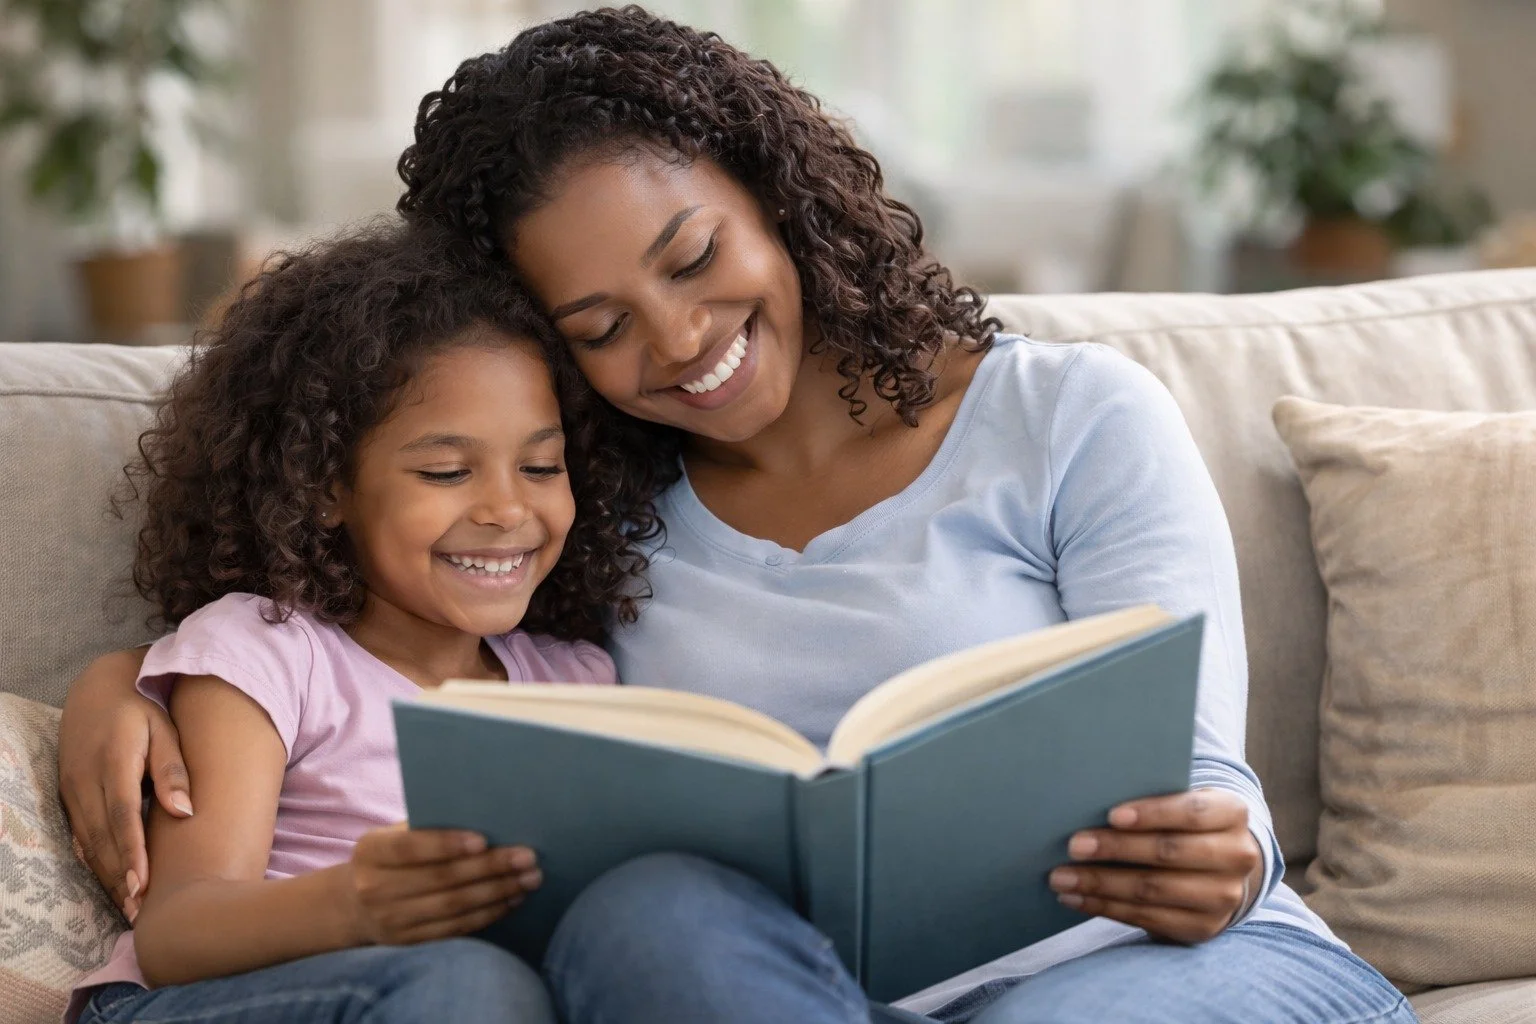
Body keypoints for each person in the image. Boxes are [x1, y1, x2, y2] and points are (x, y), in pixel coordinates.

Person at [61, 8, 1418, 1024]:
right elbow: (355, 600)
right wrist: (120, 681)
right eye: (599, 327)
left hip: (1159, 972)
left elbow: (1200, 782)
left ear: (777, 198)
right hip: (796, 992)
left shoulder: (1071, 418)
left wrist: (1222, 865)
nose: (683, 340)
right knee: (648, 910)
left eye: (696, 258)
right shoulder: (593, 511)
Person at [66, 224, 640, 1024]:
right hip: (207, 1002)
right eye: (446, 471)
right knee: (468, 985)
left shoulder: (579, 680)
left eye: (542, 466)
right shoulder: (265, 653)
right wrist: (357, 909)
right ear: (325, 486)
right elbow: (175, 932)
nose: (508, 508)